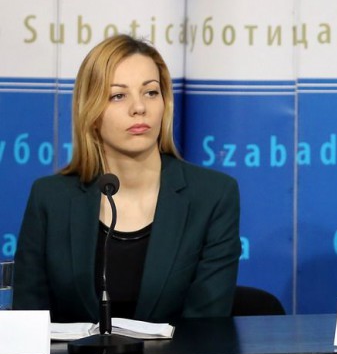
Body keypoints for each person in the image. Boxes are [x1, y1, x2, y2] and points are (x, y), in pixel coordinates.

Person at [14, 34, 241, 323]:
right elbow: (28, 321)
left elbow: (206, 324)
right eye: (118, 96)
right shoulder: (50, 198)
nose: (139, 108)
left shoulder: (213, 196)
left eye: (151, 92)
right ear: (91, 110)